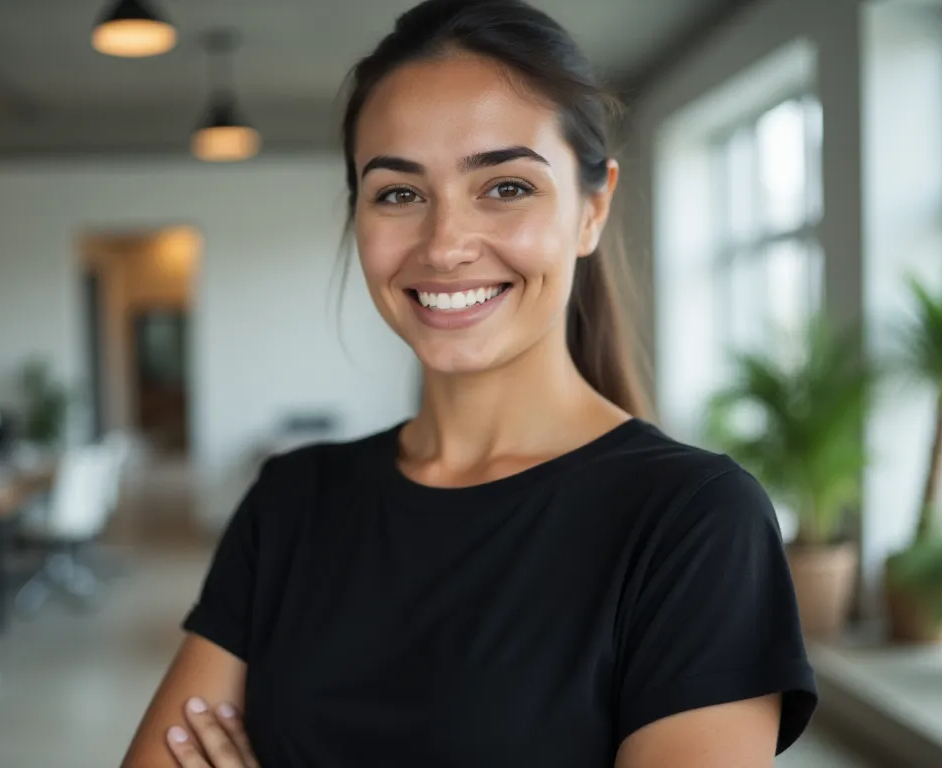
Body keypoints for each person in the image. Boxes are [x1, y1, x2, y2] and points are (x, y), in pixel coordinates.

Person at [123, 0, 817, 764]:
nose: (445, 244)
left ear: (593, 207)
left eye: (506, 187)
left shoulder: (693, 525)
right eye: (399, 193)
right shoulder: (292, 502)